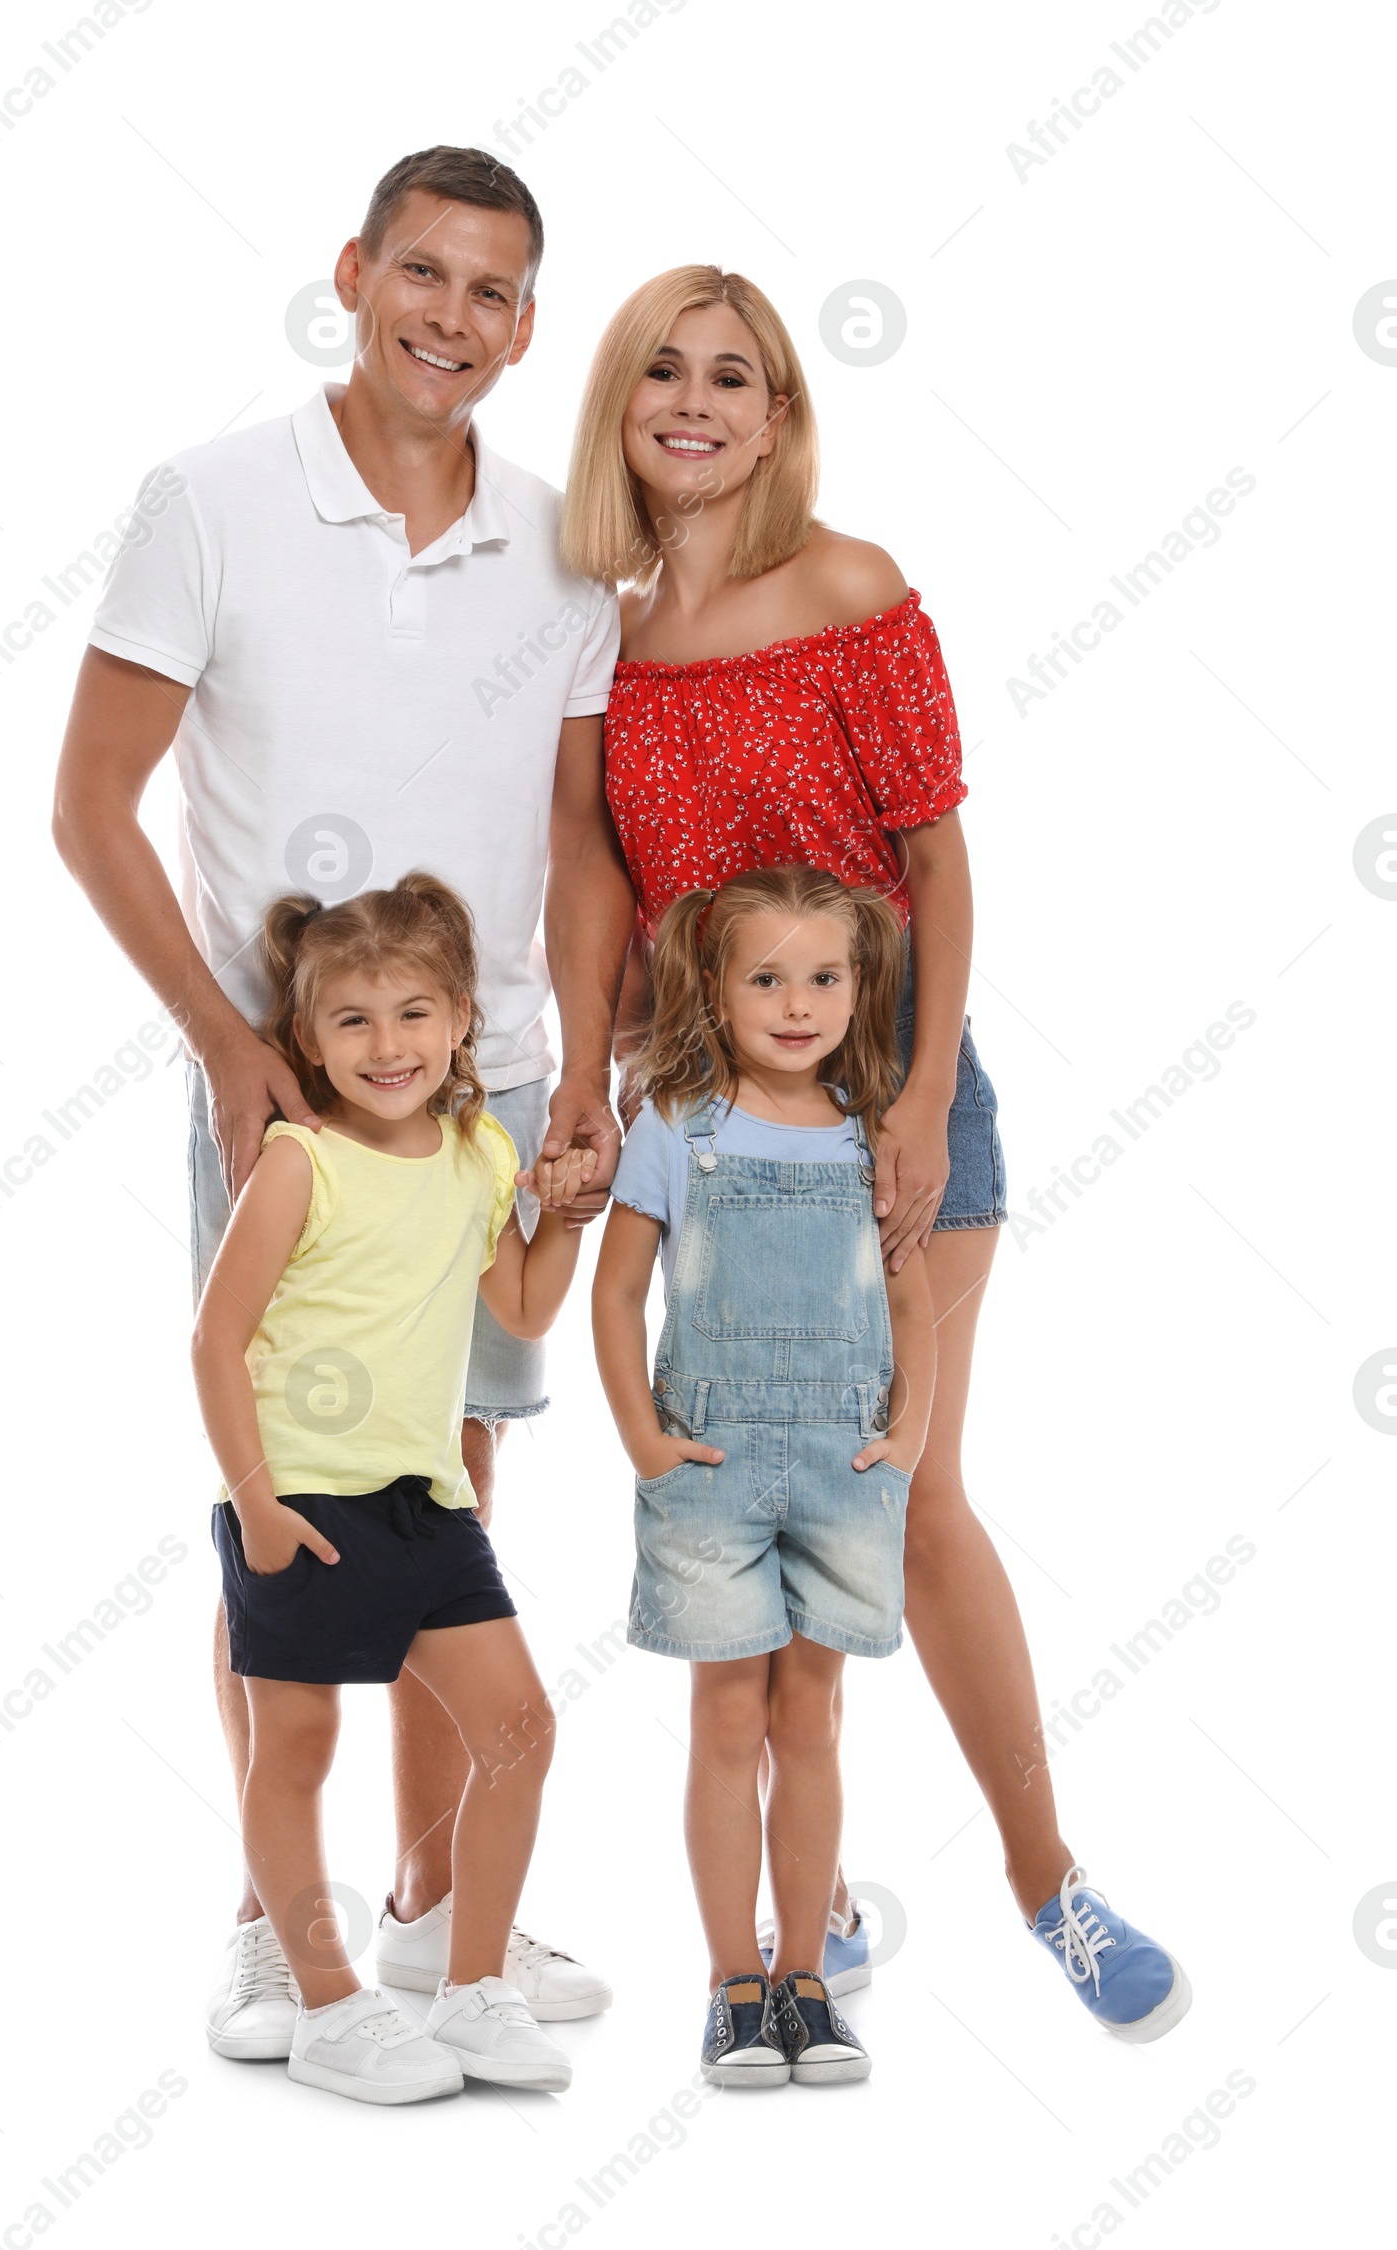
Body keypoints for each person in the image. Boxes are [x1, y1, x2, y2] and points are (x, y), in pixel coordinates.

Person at [560, 266, 1189, 2041]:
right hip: (710, 1127)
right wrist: (593, 1066)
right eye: (662, 371)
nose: (695, 400)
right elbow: (605, 875)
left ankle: (1046, 1882)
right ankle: (798, 1908)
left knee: (904, 1499)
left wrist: (914, 1105)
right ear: (620, 402)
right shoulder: (599, 641)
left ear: (778, 415)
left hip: (893, 1104)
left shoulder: (849, 586)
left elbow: (942, 859)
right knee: (745, 1483)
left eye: (734, 376)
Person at [53, 147, 633, 2057]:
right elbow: (90, 807)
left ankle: (432, 1907)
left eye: (491, 292)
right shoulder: (210, 501)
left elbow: (574, 839)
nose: (450, 318)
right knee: (282, 1496)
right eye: (423, 274)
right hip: (282, 1099)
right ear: (353, 274)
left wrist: (582, 1075)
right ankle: (263, 1908)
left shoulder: (564, 546)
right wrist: (234, 1052)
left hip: (496, 1084)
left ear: (527, 326)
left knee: (446, 1486)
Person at [194, 872, 596, 2102]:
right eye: (354, 1021)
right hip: (305, 1503)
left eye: (414, 1013)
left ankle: (471, 1993)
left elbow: (519, 1308)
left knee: (520, 1732)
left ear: (463, 1019)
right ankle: (325, 2005)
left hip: (428, 1504)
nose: (388, 1046)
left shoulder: (479, 1156)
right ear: (307, 1039)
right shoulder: (296, 1162)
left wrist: (566, 1213)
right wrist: (256, 1505)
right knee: (298, 1747)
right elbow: (216, 1342)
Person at [591, 865, 934, 2084]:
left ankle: (808, 1978)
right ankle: (733, 1981)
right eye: (767, 978)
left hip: (844, 1464)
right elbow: (619, 1290)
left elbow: (911, 1296)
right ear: (715, 986)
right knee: (728, 1719)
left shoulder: (867, 1126)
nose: (798, 1003)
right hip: (713, 1461)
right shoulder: (674, 1126)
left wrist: (911, 1434)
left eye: (824, 977)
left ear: (859, 987)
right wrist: (640, 1434)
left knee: (813, 1722)